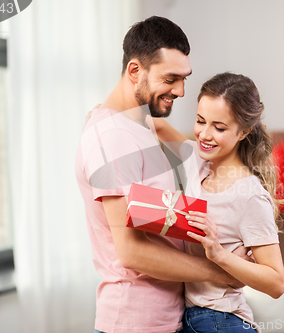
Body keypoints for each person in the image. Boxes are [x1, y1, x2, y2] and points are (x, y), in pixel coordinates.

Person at [75, 17, 245, 333]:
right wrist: (223, 271)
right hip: (133, 323)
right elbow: (132, 251)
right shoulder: (112, 136)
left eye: (184, 78)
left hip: (170, 319)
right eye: (170, 79)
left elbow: (205, 162)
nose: (180, 91)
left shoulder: (138, 125)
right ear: (135, 71)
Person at [154, 72, 284, 332]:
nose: (204, 134)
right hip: (193, 319)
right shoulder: (196, 160)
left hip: (223, 320)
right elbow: (153, 123)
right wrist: (106, 116)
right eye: (200, 121)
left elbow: (277, 282)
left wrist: (219, 255)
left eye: (219, 127)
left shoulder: (249, 194)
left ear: (244, 132)